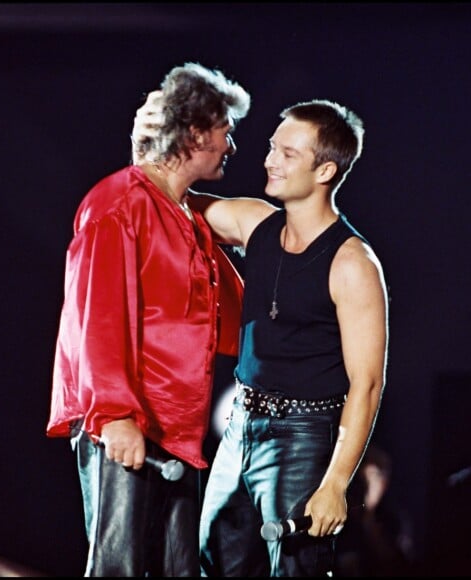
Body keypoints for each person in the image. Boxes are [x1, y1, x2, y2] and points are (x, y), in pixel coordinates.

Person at [132, 94, 389, 576]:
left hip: (304, 436)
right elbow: (166, 195)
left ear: (325, 172)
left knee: (295, 568)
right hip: (239, 426)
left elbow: (368, 383)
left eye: (288, 154)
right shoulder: (255, 222)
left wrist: (335, 483)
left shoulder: (352, 263)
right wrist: (150, 142)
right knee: (214, 559)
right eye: (272, 147)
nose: (270, 160)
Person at [46, 62, 251, 577]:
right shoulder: (118, 204)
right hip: (130, 419)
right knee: (122, 567)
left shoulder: (178, 210)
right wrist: (115, 415)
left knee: (174, 569)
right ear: (198, 131)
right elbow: (96, 317)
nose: (231, 145)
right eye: (227, 131)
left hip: (174, 422)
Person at [333, 444, 415, 577]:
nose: (367, 485)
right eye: (363, 478)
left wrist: (369, 523)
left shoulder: (393, 521)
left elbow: (399, 563)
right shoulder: (343, 516)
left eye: (373, 476)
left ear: (384, 483)